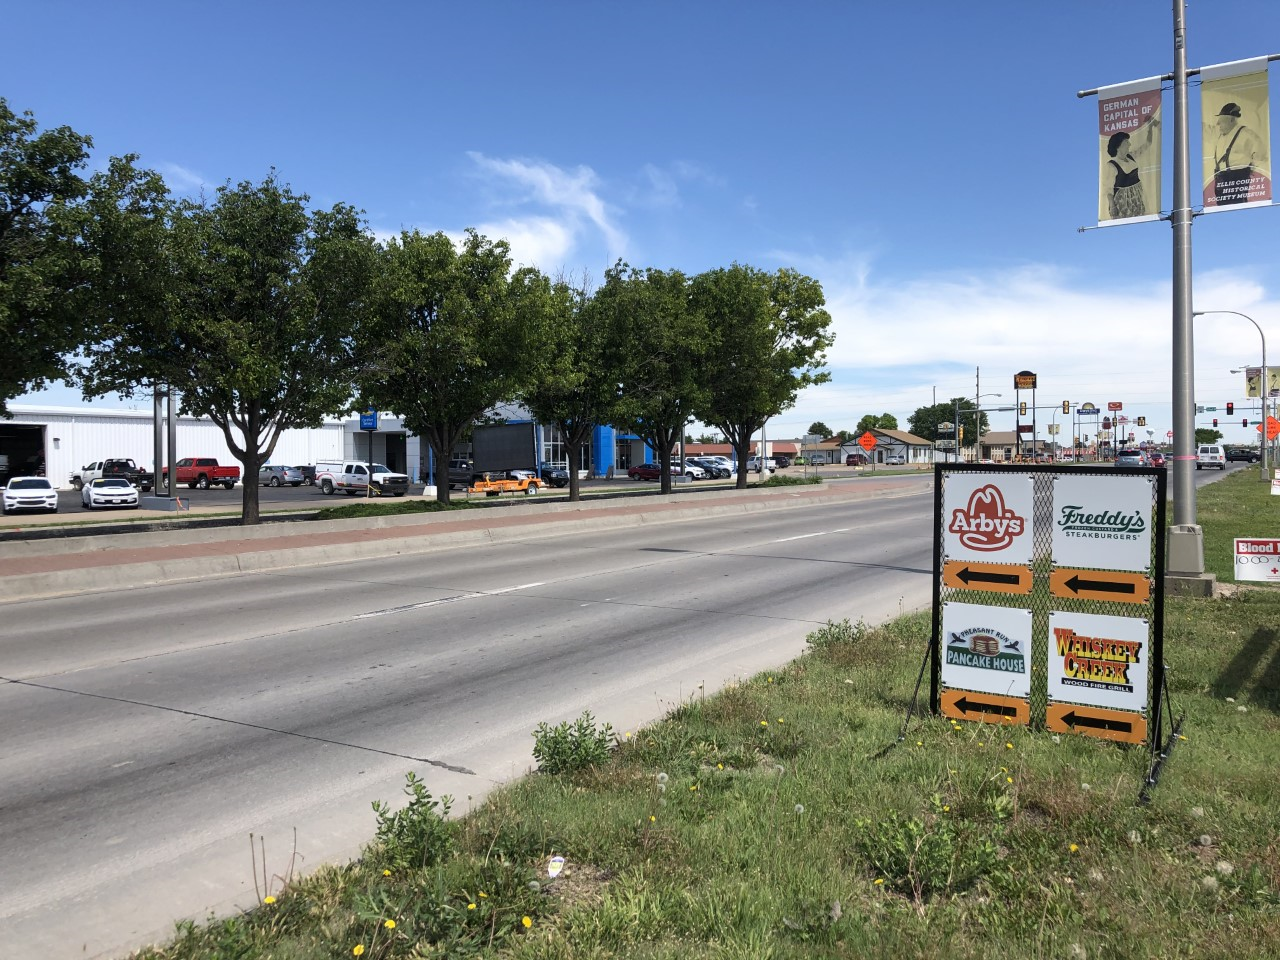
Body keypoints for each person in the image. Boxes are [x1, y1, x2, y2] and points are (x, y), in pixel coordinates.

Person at [1210, 102, 1266, 205]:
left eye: (1221, 120)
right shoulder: (1220, 135)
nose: (1218, 123)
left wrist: (1251, 168)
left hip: (1237, 180)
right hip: (1221, 181)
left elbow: (1262, 157)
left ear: (1231, 119)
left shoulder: (1247, 135)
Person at [1105, 120, 1159, 219]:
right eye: (1126, 142)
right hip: (1123, 200)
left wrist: (1150, 128)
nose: (1129, 144)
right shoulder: (1112, 165)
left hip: (1137, 196)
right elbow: (1109, 189)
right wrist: (1112, 206)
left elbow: (1147, 144)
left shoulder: (1131, 156)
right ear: (1119, 146)